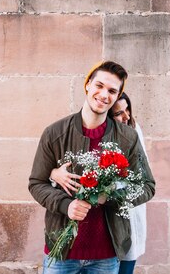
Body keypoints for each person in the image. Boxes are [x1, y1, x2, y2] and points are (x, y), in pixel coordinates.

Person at [28, 61, 155, 274]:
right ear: (87, 85)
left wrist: (111, 196)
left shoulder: (128, 138)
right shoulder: (55, 133)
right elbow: (36, 183)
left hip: (106, 256)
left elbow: (147, 186)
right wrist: (65, 205)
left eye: (112, 91)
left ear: (117, 96)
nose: (104, 95)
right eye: (99, 86)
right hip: (61, 252)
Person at [50, 92, 146, 274]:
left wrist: (108, 194)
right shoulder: (81, 133)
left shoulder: (132, 133)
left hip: (125, 219)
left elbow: (143, 182)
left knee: (125, 266)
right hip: (84, 236)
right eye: (118, 113)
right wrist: (54, 173)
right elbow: (66, 168)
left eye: (128, 110)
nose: (126, 117)